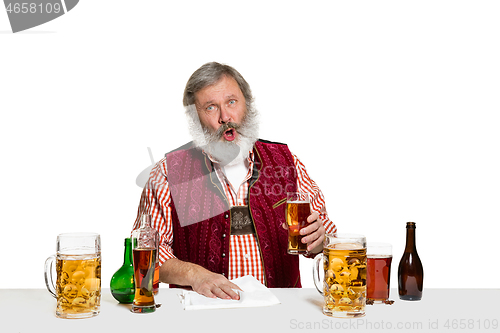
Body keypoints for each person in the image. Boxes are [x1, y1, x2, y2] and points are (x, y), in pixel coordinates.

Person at [132, 62, 336, 300]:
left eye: (231, 102)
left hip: (278, 310)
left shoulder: (287, 162)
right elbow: (146, 253)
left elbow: (328, 240)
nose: (225, 117)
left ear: (246, 104)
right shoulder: (169, 172)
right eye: (210, 107)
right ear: (195, 117)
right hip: (201, 315)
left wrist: (321, 240)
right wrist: (195, 275)